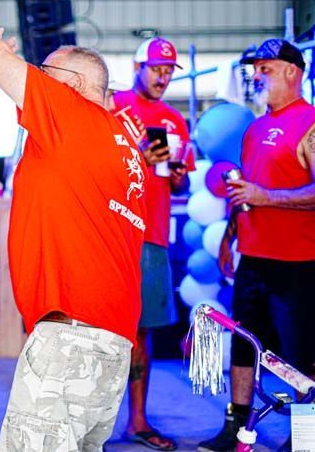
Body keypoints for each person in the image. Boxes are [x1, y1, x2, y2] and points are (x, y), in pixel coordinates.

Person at [0, 29, 147, 451]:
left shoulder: (70, 114)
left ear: (71, 85)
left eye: (44, 72)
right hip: (110, 340)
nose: (36, 78)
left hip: (71, 336)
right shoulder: (120, 140)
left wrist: (0, 49)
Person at [199, 39, 315, 452]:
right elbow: (247, 190)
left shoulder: (311, 121)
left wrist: (268, 197)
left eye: (265, 69)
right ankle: (235, 426)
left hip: (299, 262)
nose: (256, 76)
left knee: (301, 354)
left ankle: (304, 438)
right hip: (254, 257)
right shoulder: (254, 128)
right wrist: (231, 235)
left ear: (292, 71)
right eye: (254, 70)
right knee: (244, 346)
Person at [111, 37, 196, 451]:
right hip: (110, 232)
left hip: (153, 236)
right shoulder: (112, 107)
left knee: (140, 333)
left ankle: (137, 421)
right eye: (156, 68)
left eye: (169, 71)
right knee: (98, 329)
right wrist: (137, 158)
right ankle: (91, 419)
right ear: (137, 66)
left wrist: (176, 173)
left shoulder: (174, 120)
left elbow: (180, 182)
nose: (163, 77)